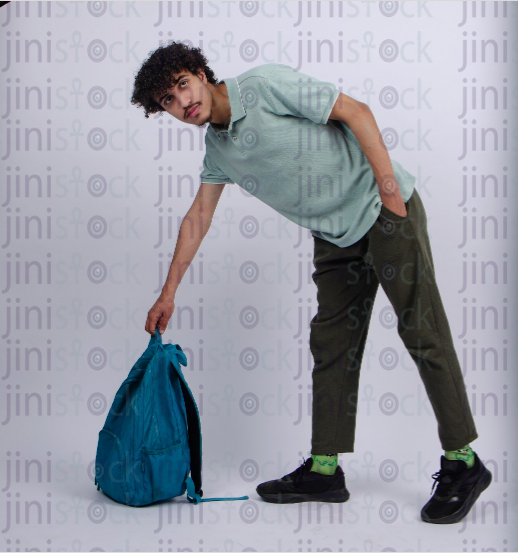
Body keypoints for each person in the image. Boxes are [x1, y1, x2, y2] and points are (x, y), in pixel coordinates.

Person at [131, 41, 491, 524]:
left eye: (181, 85)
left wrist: (390, 193)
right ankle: (325, 470)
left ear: (199, 71)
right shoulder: (217, 148)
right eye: (168, 103)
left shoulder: (261, 87)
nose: (182, 102)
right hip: (335, 237)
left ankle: (463, 463)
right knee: (332, 343)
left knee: (422, 332)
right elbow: (199, 216)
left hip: (383, 211)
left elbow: (353, 111)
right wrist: (168, 292)